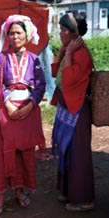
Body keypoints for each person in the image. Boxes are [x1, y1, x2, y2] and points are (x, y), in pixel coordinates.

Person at [0, 14, 46, 215]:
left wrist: (30, 105)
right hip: (8, 111)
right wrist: (8, 105)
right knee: (6, 153)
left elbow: (40, 85)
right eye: (11, 33)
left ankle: (19, 191)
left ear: (27, 35)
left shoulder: (34, 59)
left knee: (24, 153)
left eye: (18, 32)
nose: (14, 36)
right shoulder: (1, 58)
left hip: (28, 110)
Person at [51, 11, 95, 212]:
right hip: (67, 108)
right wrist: (62, 53)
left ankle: (84, 199)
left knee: (78, 155)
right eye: (60, 30)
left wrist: (67, 54)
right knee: (66, 151)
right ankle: (69, 191)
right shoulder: (70, 49)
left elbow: (67, 82)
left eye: (64, 30)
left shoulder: (80, 53)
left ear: (75, 33)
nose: (60, 33)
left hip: (77, 111)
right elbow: (55, 74)